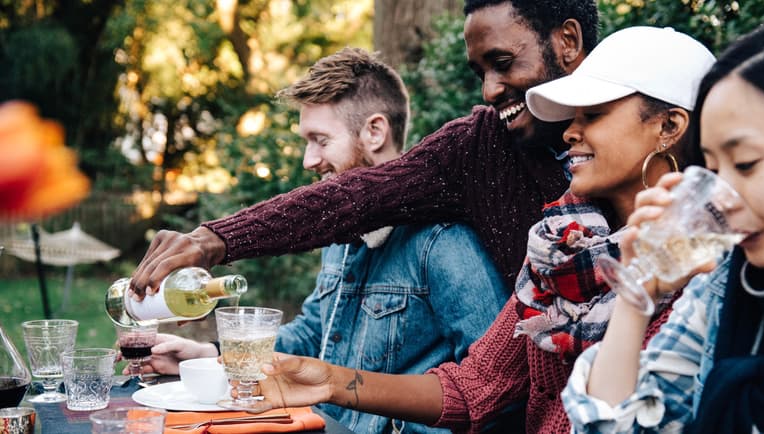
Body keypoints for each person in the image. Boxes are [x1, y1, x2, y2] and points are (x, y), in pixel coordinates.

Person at [253, 27, 716, 434]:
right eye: (571, 118)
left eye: (591, 115)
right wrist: (331, 381)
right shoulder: (558, 245)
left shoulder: (711, 266)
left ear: (668, 125)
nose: (569, 133)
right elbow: (475, 389)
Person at [132, 47, 508, 434]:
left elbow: (496, 392)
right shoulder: (340, 236)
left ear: (375, 131)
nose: (309, 161)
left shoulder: (444, 242)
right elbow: (315, 335)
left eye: (321, 140)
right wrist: (210, 357)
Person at [128, 0, 600, 299]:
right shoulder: (477, 148)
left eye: (502, 63)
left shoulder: (654, 129)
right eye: (480, 73)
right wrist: (215, 239)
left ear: (568, 41)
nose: (490, 91)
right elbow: (352, 197)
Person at [563, 16, 764, 434]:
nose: (724, 199)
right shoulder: (727, 287)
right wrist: (636, 298)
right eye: (713, 169)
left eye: (746, 163)